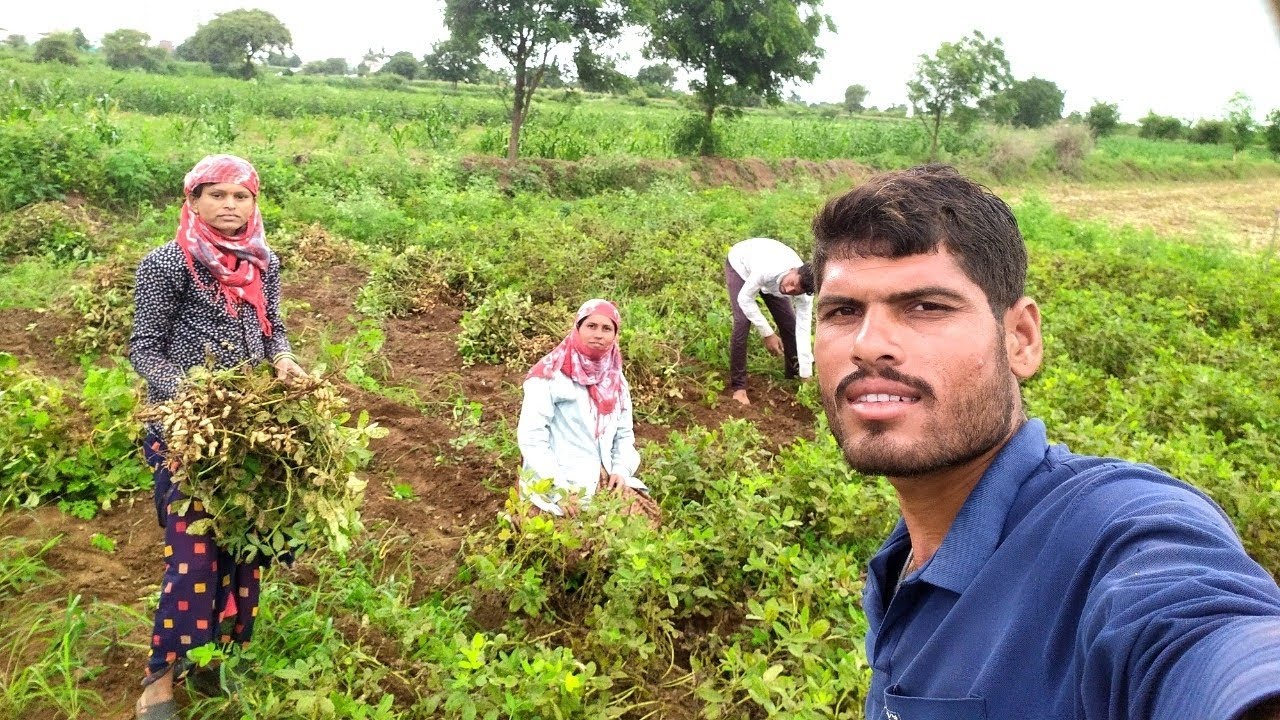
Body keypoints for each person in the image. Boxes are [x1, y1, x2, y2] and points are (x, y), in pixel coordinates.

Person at [809, 165, 1280, 720]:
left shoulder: (1118, 529)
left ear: (1021, 339)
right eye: (843, 311)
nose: (868, 344)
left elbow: (1204, 637)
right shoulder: (905, 553)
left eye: (926, 307)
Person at [129, 154, 306, 720]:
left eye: (241, 196)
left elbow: (274, 329)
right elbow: (145, 348)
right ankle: (159, 680)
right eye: (217, 195)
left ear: (254, 203)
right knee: (193, 557)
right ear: (194, 200)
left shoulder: (263, 260)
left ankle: (214, 659)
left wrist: (284, 361)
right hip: (187, 432)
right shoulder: (168, 263)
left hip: (248, 432)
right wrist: (192, 397)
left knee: (242, 550)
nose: (230, 206)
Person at [515, 299, 659, 522]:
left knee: (642, 522)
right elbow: (532, 438)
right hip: (558, 476)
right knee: (567, 535)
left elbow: (624, 435)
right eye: (591, 326)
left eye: (607, 329)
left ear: (615, 335)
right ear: (578, 328)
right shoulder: (549, 375)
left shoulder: (616, 379)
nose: (598, 335)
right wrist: (559, 489)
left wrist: (621, 470)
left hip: (601, 478)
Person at [724, 237, 815, 406]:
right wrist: (768, 333)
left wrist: (806, 373)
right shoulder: (769, 268)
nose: (788, 289)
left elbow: (803, 330)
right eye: (792, 283)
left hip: (770, 281)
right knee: (742, 322)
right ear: (793, 270)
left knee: (790, 325)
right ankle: (739, 388)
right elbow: (745, 299)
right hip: (741, 264)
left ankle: (795, 378)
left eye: (795, 291)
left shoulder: (804, 296)